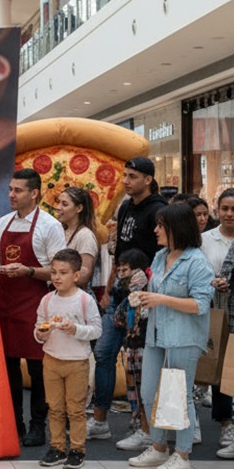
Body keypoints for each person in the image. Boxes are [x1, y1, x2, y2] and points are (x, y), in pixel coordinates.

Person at [129, 203, 214, 469]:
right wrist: (143, 298)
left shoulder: (198, 262)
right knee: (149, 391)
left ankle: (183, 453)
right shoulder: (160, 256)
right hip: (156, 334)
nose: (155, 230)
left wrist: (161, 299)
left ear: (175, 228)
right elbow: (155, 291)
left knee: (179, 394)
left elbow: (200, 304)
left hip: (184, 337)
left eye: (160, 225)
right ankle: (158, 447)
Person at [89, 157, 167, 441]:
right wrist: (109, 289)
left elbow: (162, 256)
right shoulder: (124, 207)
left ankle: (143, 425)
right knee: (104, 353)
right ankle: (100, 420)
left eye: (132, 176)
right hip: (119, 294)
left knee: (139, 363)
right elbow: (119, 253)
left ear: (148, 179)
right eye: (125, 175)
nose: (126, 181)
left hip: (144, 298)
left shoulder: (158, 210)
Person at [0, 168, 66, 446]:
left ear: (34, 194)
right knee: (8, 366)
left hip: (37, 304)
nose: (11, 195)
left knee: (38, 370)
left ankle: (37, 425)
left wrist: (28, 271)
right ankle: (14, 422)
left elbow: (60, 271)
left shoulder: (49, 226)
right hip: (6, 304)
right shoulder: (2, 223)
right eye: (10, 189)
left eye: (18, 190)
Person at [35, 249, 102, 469]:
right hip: (51, 360)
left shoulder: (84, 300)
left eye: (63, 272)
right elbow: (37, 329)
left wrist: (75, 329)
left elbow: (96, 330)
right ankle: (57, 447)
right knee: (54, 407)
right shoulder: (46, 300)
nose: (56, 277)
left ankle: (77, 449)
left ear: (76, 275)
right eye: (53, 272)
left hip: (77, 362)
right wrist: (40, 334)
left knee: (75, 408)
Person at [200, 188, 234, 452]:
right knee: (220, 369)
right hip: (216, 310)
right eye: (225, 209)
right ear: (217, 209)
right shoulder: (205, 240)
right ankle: (225, 422)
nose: (229, 214)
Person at [112, 248, 153, 451]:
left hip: (144, 347)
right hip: (132, 347)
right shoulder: (127, 295)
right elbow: (118, 319)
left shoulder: (144, 292)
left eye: (125, 270)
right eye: (118, 270)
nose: (121, 274)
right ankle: (139, 426)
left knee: (144, 389)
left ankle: (147, 431)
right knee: (134, 390)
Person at [56, 186, 99, 290]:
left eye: (64, 204)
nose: (58, 207)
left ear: (79, 208)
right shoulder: (59, 231)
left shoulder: (85, 236)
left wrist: (53, 275)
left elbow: (83, 276)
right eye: (58, 202)